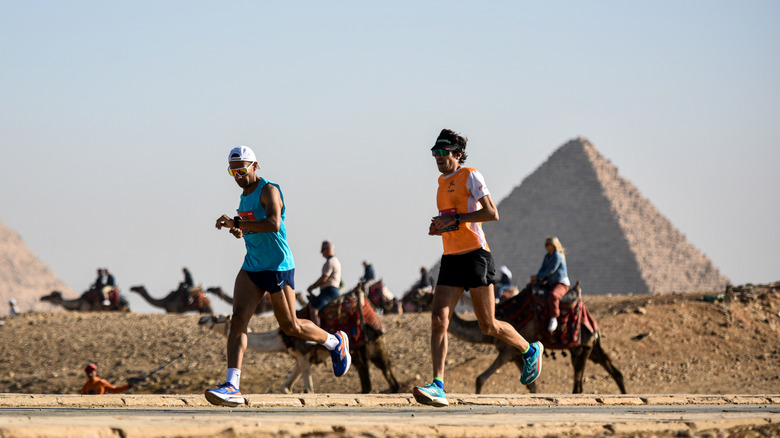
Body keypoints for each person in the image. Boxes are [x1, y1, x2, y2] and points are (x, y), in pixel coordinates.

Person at [205, 145, 351, 407]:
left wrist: (237, 223)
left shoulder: (269, 190)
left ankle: (334, 341)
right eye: (233, 171)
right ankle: (232, 386)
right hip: (252, 266)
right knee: (238, 320)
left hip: (277, 267)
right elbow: (253, 229)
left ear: (255, 166)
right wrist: (241, 231)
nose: (238, 175)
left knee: (291, 326)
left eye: (242, 169)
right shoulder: (244, 197)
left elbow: (273, 223)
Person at [413, 129, 543, 407]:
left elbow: (491, 213)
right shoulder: (441, 182)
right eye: (434, 152)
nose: (437, 157)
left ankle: (529, 350)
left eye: (443, 152)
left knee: (488, 325)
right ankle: (438, 385)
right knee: (438, 319)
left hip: (475, 256)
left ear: (457, 154)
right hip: (451, 256)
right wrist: (439, 228)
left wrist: (457, 219)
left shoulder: (471, 175)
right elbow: (452, 222)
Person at [531, 236, 570, 333]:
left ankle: (554, 318)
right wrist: (537, 276)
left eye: (548, 244)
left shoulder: (557, 256)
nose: (546, 246)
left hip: (561, 283)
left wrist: (538, 276)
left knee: (553, 295)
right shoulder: (547, 256)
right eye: (545, 244)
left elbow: (551, 270)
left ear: (553, 245)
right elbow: (542, 269)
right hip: (550, 283)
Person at [306, 240, 342, 326]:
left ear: (328, 249)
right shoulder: (335, 261)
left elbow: (324, 278)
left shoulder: (330, 262)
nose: (322, 253)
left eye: (323, 250)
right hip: (332, 290)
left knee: (314, 309)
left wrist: (312, 287)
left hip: (329, 291)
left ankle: (317, 334)